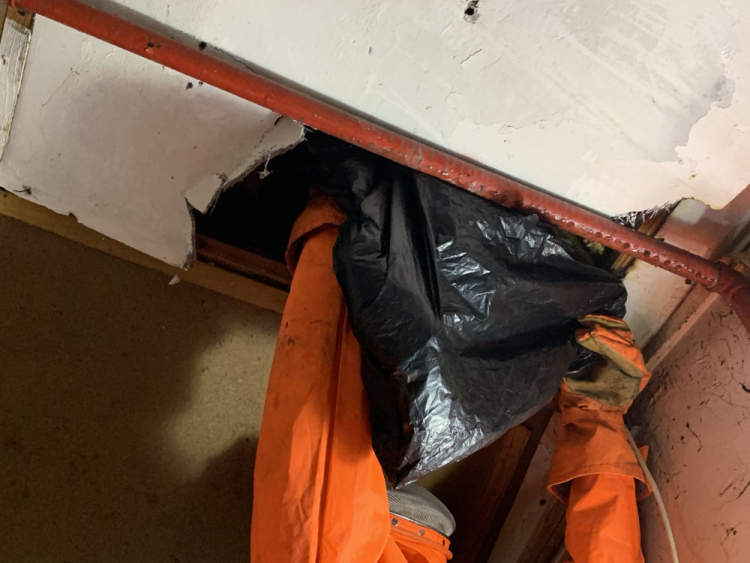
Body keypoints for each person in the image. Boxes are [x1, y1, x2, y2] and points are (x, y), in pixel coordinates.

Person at [251, 196, 651, 562]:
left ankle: (353, 223)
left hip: (372, 528)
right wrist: (596, 412)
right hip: (412, 534)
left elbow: (316, 474)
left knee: (321, 517)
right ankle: (355, 227)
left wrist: (336, 237)